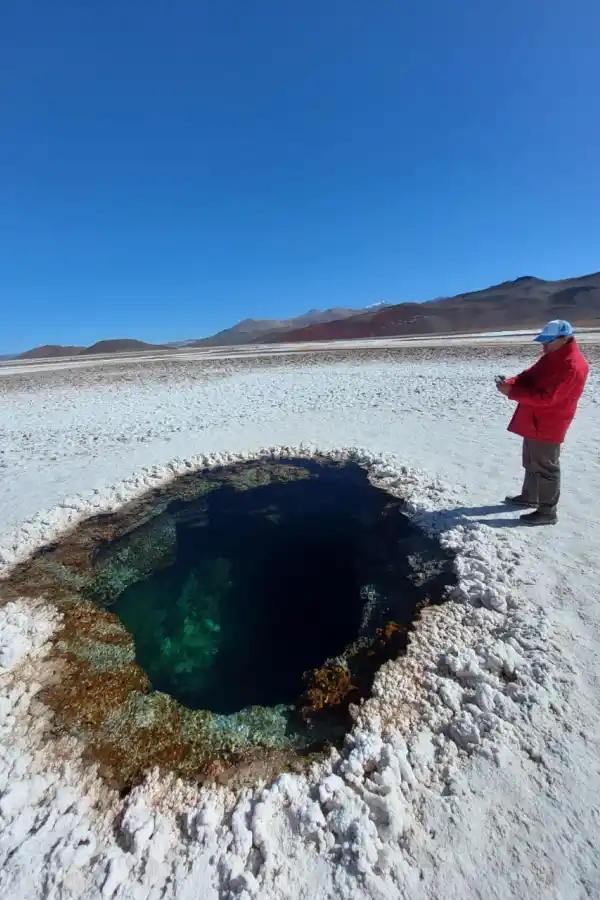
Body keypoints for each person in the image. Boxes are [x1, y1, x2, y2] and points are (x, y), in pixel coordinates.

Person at [496, 319, 589, 526]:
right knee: (531, 460)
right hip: (535, 419)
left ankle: (547, 512)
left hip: (549, 423)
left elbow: (547, 398)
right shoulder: (553, 357)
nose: (543, 346)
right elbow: (530, 375)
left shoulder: (571, 366)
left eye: (548, 341)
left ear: (564, 339)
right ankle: (530, 497)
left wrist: (512, 392)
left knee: (546, 467)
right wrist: (511, 382)